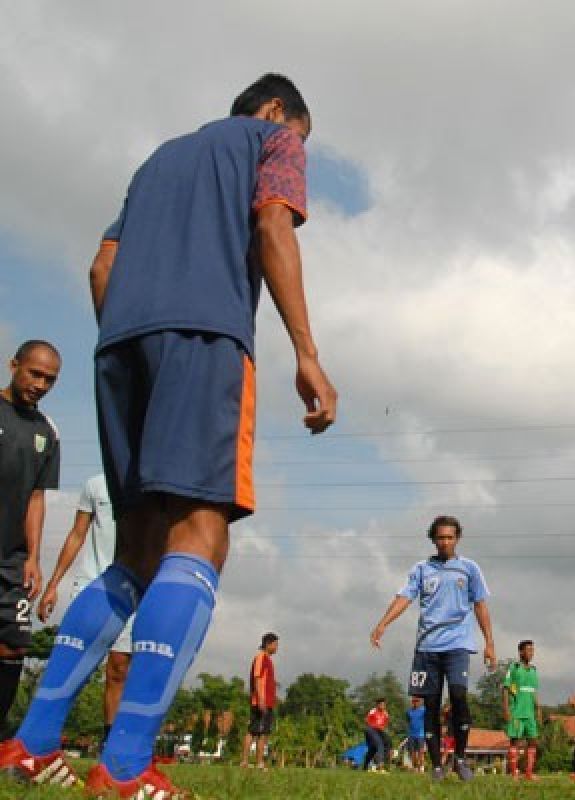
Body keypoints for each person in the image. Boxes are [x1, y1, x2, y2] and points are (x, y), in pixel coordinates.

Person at [2, 74, 337, 797]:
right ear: (277, 111)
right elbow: (273, 224)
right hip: (204, 339)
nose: (298, 148)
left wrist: (131, 345)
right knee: (199, 536)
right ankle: (123, 766)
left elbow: (102, 266)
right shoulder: (273, 138)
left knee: (135, 550)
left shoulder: (158, 160)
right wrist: (307, 353)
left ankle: (30, 742)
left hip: (119, 345)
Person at [370, 515, 496, 782]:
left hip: (459, 644)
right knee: (431, 705)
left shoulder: (469, 569)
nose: (445, 542)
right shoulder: (422, 569)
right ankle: (437, 765)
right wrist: (383, 623)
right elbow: (404, 597)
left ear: (457, 539)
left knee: (459, 696)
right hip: (428, 648)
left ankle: (460, 759)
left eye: (450, 537)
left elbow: (481, 605)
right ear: (433, 539)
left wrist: (489, 643)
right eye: (440, 537)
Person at [38, 474, 132, 743]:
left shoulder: (149, 484)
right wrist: (53, 584)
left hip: (130, 585)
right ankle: (44, 733)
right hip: (93, 583)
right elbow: (77, 534)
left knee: (118, 667)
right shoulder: (95, 484)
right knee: (73, 661)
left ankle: (110, 743)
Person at [0, 341, 61, 735]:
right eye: (35, 373)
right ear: (13, 365)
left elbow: (36, 498)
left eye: (50, 380)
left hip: (12, 558)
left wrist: (34, 557)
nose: (40, 384)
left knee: (14, 645)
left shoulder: (47, 431)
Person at [503, 639, 540, 780]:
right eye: (528, 650)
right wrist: (506, 708)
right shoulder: (514, 668)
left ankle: (529, 773)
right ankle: (514, 773)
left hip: (530, 713)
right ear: (521, 652)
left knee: (533, 741)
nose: (531, 653)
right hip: (517, 712)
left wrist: (538, 708)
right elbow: (506, 688)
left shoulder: (533, 670)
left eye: (532, 650)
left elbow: (534, 691)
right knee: (515, 741)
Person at [240, 633, 278, 769]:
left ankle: (255, 762)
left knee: (261, 732)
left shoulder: (268, 659)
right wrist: (261, 699)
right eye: (275, 645)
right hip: (261, 701)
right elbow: (257, 677)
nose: (276, 648)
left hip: (266, 701)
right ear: (268, 644)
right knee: (257, 732)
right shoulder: (261, 657)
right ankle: (253, 762)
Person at [363, 698, 392, 772]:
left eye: (384, 704)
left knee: (387, 741)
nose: (383, 706)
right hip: (370, 729)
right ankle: (379, 765)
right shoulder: (373, 711)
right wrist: (372, 727)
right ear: (377, 705)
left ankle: (366, 765)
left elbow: (386, 723)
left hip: (379, 731)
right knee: (379, 744)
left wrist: (382, 730)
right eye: (381, 704)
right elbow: (366, 720)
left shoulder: (385, 713)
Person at [405, 696, 426, 772]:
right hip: (411, 734)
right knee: (412, 752)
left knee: (421, 751)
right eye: (414, 701)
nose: (415, 702)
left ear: (420, 702)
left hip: (420, 734)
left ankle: (422, 767)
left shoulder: (424, 710)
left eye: (417, 701)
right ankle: (415, 767)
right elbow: (407, 721)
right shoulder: (408, 711)